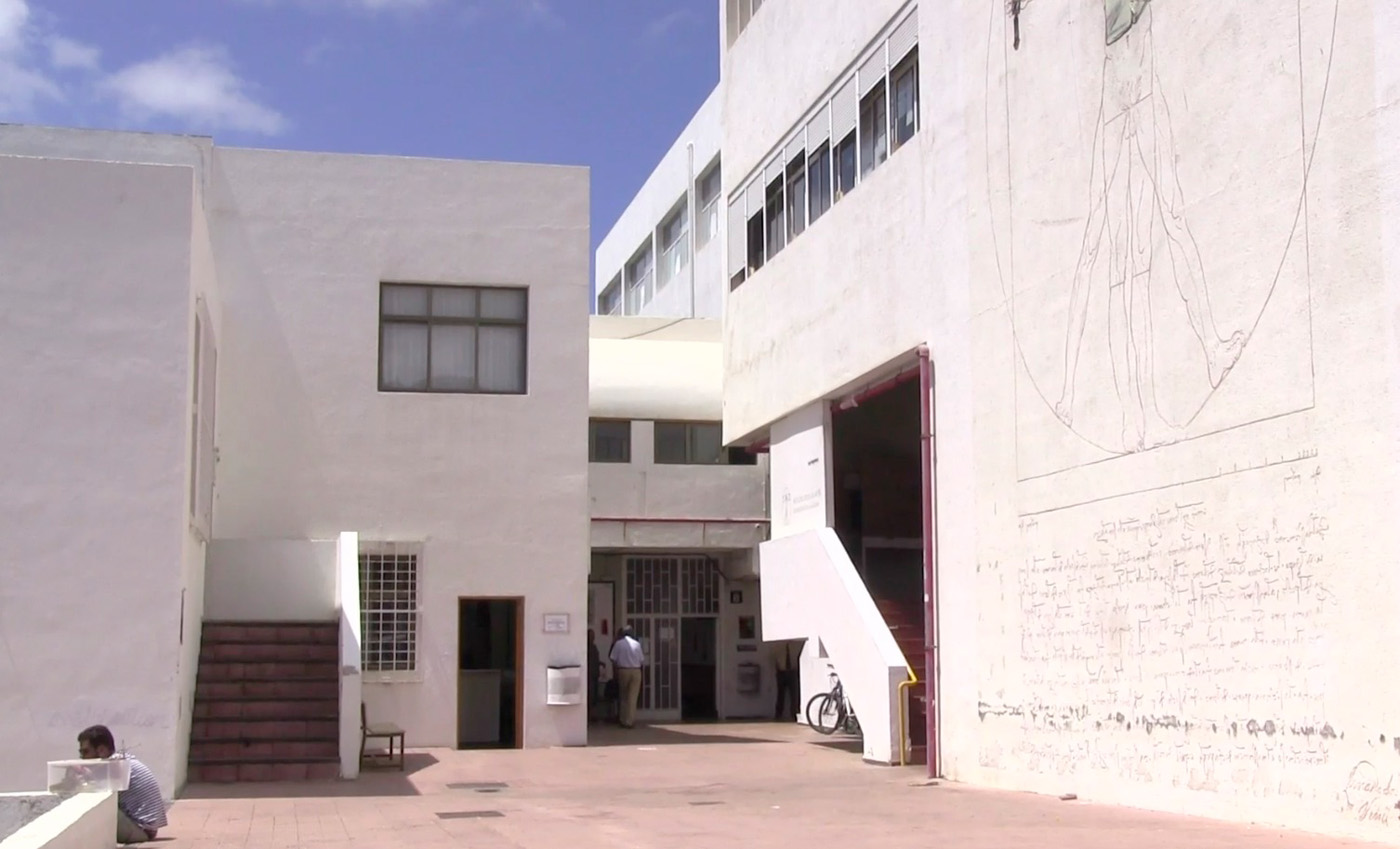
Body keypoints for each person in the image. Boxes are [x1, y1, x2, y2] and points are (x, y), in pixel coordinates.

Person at [77, 725, 167, 845]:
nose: (82, 757)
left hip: (141, 830)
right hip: (145, 828)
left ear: (102, 750)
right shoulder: (120, 762)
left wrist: (80, 779)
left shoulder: (115, 766)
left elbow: (96, 795)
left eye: (86, 752)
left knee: (94, 804)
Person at [609, 626, 644, 729]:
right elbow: (641, 660)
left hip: (623, 670)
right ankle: (630, 721)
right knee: (633, 697)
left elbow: (613, 658)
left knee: (623, 696)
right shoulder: (637, 644)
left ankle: (623, 720)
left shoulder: (618, 644)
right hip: (636, 671)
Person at [772, 639, 801, 722]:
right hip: (782, 672)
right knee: (780, 695)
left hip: (792, 671)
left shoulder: (796, 645)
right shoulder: (778, 646)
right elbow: (774, 657)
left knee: (794, 694)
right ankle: (778, 714)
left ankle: (794, 714)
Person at [587, 628, 602, 723]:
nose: (593, 638)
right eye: (591, 636)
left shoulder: (594, 647)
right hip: (589, 676)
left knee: (594, 697)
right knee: (589, 696)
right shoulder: (586, 648)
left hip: (594, 675)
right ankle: (588, 717)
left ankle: (591, 716)